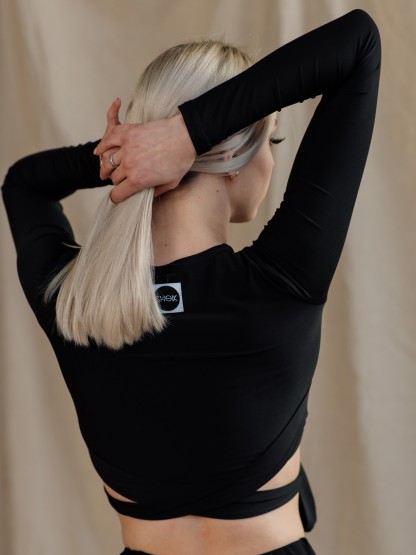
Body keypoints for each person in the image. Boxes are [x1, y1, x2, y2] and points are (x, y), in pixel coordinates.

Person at [2, 8, 381, 555]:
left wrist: (127, 154)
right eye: (271, 142)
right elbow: (359, 42)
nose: (271, 162)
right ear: (235, 155)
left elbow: (25, 182)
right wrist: (187, 135)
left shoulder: (71, 303)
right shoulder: (281, 282)